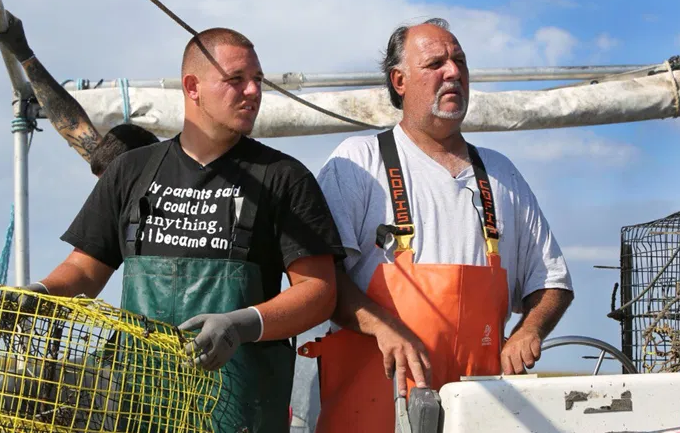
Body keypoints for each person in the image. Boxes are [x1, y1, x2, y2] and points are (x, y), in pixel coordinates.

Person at [13, 26, 345, 432]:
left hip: (241, 413)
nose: (254, 91)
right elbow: (84, 269)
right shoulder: (131, 171)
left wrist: (241, 324)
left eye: (258, 80)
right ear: (193, 87)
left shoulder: (284, 178)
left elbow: (319, 292)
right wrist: (42, 294)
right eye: (236, 80)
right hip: (140, 410)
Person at [300, 18, 574, 432]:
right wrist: (382, 326)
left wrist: (527, 330)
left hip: (477, 417)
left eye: (460, 61)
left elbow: (552, 281)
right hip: (372, 414)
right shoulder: (357, 162)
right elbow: (321, 283)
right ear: (399, 81)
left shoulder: (501, 175)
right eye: (436, 64)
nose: (453, 72)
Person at [0, 11, 159, 177]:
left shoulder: (171, 184)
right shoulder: (122, 179)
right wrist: (25, 55)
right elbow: (74, 126)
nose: (108, 191)